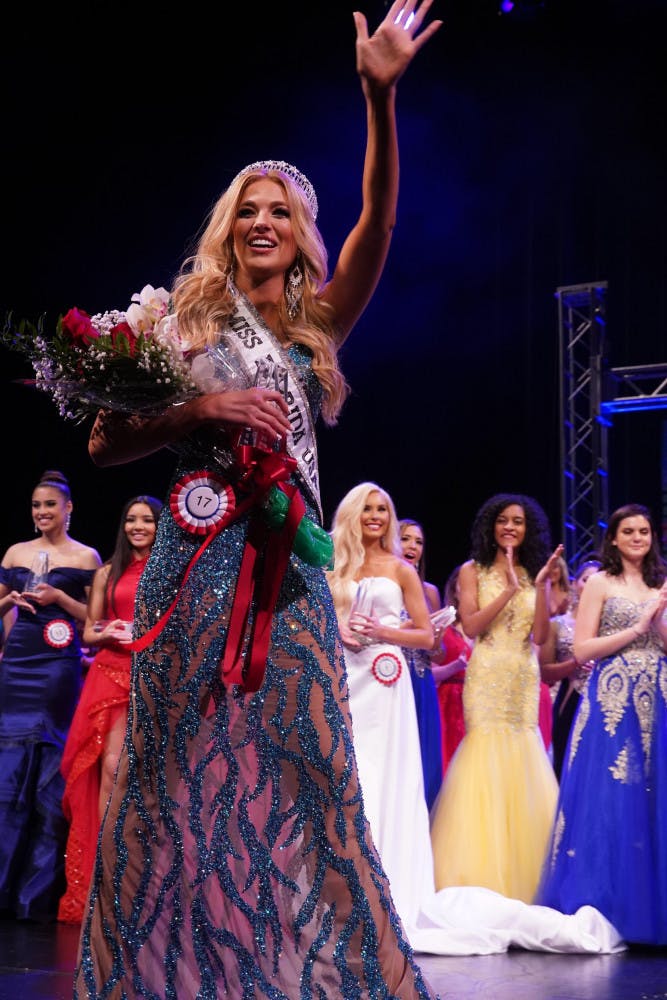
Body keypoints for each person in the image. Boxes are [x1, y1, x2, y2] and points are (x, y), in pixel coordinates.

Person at [74, 5, 444, 997]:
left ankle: (322, 978)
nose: (264, 221)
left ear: (300, 232)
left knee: (310, 776)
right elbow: (105, 442)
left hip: (288, 583)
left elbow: (382, 222)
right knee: (161, 786)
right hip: (188, 577)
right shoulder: (173, 321)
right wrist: (199, 402)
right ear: (228, 227)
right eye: (249, 208)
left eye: (281, 208)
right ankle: (156, 978)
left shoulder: (318, 326)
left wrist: (378, 97)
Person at [326, 482, 624, 956]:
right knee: (348, 774)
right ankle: (339, 884)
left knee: (393, 777)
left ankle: (396, 882)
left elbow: (440, 637)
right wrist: (340, 629)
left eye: (384, 507)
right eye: (368, 509)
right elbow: (321, 618)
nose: (376, 516)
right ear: (352, 514)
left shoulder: (404, 570)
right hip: (352, 676)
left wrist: (537, 585)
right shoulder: (337, 565)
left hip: (408, 677)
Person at [538, 503, 667, 945]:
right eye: (628, 531)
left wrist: (661, 616)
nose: (637, 537)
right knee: (614, 797)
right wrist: (638, 627)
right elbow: (585, 648)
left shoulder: (661, 581)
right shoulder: (599, 582)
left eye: (644, 531)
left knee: (656, 795)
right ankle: (609, 903)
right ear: (613, 538)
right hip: (614, 696)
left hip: (660, 692)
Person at [430, 493, 562, 904]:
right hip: (487, 672)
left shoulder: (536, 572)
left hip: (523, 673)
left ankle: (531, 878)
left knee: (526, 755)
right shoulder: (473, 571)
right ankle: (480, 875)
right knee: (484, 758)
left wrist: (538, 588)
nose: (510, 527)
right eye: (503, 520)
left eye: (518, 521)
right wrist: (506, 590)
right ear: (491, 526)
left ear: (528, 529)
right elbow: (470, 627)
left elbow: (540, 638)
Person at [0, 470, 101, 921]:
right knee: (8, 771)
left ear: (68, 509)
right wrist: (10, 605)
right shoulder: (16, 552)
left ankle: (31, 898)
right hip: (17, 664)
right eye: (36, 505)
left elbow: (94, 619)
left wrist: (60, 596)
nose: (42, 513)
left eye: (50, 505)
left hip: (57, 668)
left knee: (46, 770)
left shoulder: (86, 557)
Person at [58, 495, 163, 924]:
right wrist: (111, 630)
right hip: (111, 671)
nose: (138, 527)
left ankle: (141, 874)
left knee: (147, 774)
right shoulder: (107, 572)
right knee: (110, 767)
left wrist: (148, 631)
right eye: (132, 520)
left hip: (152, 674)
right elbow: (89, 630)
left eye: (148, 520)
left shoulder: (170, 571)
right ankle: (105, 870)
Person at [538, 557, 600, 780]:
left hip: (605, 699)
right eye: (586, 579)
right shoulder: (558, 624)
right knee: (565, 764)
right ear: (575, 584)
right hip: (568, 697)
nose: (592, 584)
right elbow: (544, 671)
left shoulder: (613, 625)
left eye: (598, 579)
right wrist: (575, 662)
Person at [399, 517, 444, 810]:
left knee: (425, 758)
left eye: (418, 541)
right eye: (406, 539)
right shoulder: (383, 585)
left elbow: (437, 652)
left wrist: (437, 635)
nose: (413, 546)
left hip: (421, 678)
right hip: (390, 675)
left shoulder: (429, 592)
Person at [430, 565, 472, 778]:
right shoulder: (444, 625)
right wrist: (456, 667)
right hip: (449, 704)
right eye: (463, 586)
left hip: (478, 702)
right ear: (454, 590)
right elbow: (431, 673)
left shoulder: (486, 628)